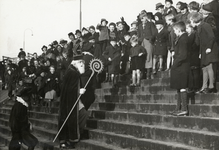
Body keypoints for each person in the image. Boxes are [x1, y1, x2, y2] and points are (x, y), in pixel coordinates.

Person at [58, 55, 87, 149]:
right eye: (81, 63)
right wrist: (79, 91)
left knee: (82, 114)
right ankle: (70, 139)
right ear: (76, 63)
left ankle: (74, 135)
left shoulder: (72, 71)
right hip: (70, 100)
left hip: (73, 99)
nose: (83, 65)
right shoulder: (73, 73)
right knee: (71, 117)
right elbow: (69, 89)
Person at [190, 12, 219, 93]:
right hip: (203, 50)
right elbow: (199, 42)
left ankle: (211, 86)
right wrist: (200, 52)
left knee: (209, 67)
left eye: (191, 21)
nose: (190, 23)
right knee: (204, 68)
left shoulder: (205, 25)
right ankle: (204, 86)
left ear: (195, 20)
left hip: (210, 49)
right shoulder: (198, 28)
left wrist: (209, 47)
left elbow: (212, 37)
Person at [9, 85, 38, 150]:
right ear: (25, 97)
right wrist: (27, 125)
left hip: (18, 130)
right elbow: (19, 119)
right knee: (32, 142)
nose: (30, 99)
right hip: (19, 131)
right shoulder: (21, 106)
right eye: (29, 96)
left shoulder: (19, 104)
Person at [170, 21, 190, 116]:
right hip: (180, 66)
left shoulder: (183, 39)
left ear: (178, 29)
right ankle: (178, 108)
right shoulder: (182, 38)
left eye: (175, 30)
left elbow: (183, 55)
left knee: (182, 87)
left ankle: (184, 109)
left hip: (181, 66)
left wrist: (175, 64)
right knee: (179, 87)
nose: (174, 32)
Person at [138, 12, 157, 79]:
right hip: (142, 42)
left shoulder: (151, 24)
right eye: (141, 18)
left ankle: (149, 73)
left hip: (148, 41)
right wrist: (140, 40)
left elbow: (154, 33)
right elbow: (139, 34)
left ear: (146, 17)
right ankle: (143, 72)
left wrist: (150, 39)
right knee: (142, 55)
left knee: (149, 55)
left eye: (143, 18)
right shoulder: (140, 26)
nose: (142, 20)